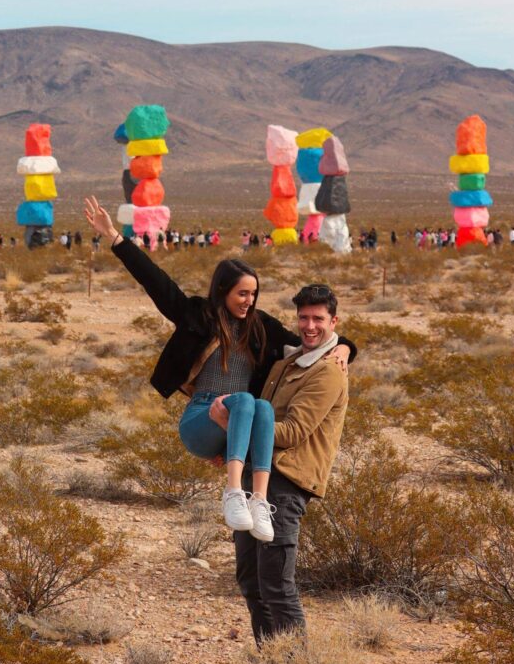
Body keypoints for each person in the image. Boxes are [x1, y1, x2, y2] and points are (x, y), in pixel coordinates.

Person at [83, 196, 355, 543]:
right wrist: (115, 239)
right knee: (245, 401)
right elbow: (156, 282)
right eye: (243, 294)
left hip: (238, 422)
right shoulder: (198, 315)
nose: (249, 301)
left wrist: (347, 346)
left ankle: (258, 502)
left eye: (254, 294)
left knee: (258, 406)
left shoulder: (262, 327)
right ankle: (232, 494)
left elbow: (313, 339)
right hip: (202, 416)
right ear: (224, 291)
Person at [209, 283, 349, 641]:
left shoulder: (328, 371)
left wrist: (233, 424)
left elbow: (291, 432)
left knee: (276, 585)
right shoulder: (286, 363)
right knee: (251, 582)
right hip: (256, 479)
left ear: (334, 322)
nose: (310, 326)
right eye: (303, 317)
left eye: (318, 318)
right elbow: (260, 415)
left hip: (287, 484)